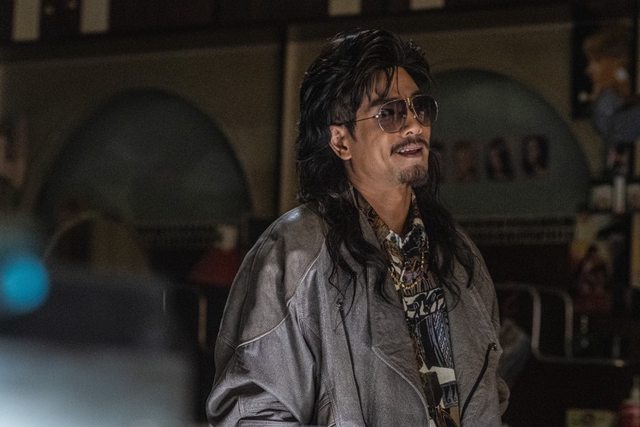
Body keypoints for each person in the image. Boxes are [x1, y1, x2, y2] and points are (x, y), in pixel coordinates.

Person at [207, 28, 509, 426]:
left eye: (420, 108)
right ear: (341, 141)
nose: (414, 126)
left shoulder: (458, 255)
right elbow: (251, 414)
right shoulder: (296, 252)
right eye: (390, 113)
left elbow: (491, 396)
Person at [583, 24, 640, 175]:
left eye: (595, 61)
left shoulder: (609, 101)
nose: (589, 70)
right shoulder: (611, 100)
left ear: (613, 63)